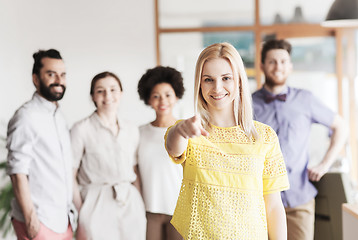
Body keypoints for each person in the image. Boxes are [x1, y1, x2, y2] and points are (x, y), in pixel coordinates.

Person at [164, 42, 290, 240]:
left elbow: (273, 205)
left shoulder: (264, 136)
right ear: (199, 84)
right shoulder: (189, 131)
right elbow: (173, 146)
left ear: (239, 81)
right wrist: (181, 130)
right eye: (208, 80)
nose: (217, 88)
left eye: (226, 78)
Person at [252, 39, 348, 240]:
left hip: (299, 200)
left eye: (283, 61)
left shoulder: (306, 99)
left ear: (290, 66)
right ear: (261, 65)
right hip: (259, 201)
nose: (278, 67)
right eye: (272, 61)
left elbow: (340, 126)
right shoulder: (247, 104)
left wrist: (324, 164)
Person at [6, 49, 74, 239]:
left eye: (62, 75)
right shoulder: (25, 117)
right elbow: (17, 170)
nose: (58, 80)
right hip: (39, 221)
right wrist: (30, 219)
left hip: (63, 220)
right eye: (51, 74)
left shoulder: (60, 117)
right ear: (36, 79)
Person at [71, 71, 146, 240]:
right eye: (100, 91)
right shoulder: (81, 129)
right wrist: (82, 210)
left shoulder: (131, 129)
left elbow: (135, 170)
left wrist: (139, 200)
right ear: (92, 97)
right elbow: (70, 174)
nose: (108, 96)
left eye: (113, 90)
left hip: (129, 202)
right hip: (95, 202)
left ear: (121, 93)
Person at [137, 66, 184, 240]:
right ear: (148, 99)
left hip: (180, 210)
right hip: (150, 210)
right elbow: (135, 173)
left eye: (167, 95)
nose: (162, 100)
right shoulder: (139, 133)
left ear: (176, 96)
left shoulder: (185, 130)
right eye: (156, 96)